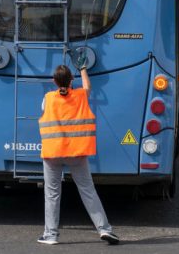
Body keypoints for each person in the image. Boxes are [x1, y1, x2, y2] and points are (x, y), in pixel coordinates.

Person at [37, 56, 119, 245]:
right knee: (88, 191)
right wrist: (82, 68)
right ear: (71, 80)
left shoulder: (48, 98)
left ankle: (51, 235)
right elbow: (88, 87)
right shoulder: (81, 95)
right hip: (77, 153)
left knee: (52, 194)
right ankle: (104, 229)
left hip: (52, 154)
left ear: (54, 82)